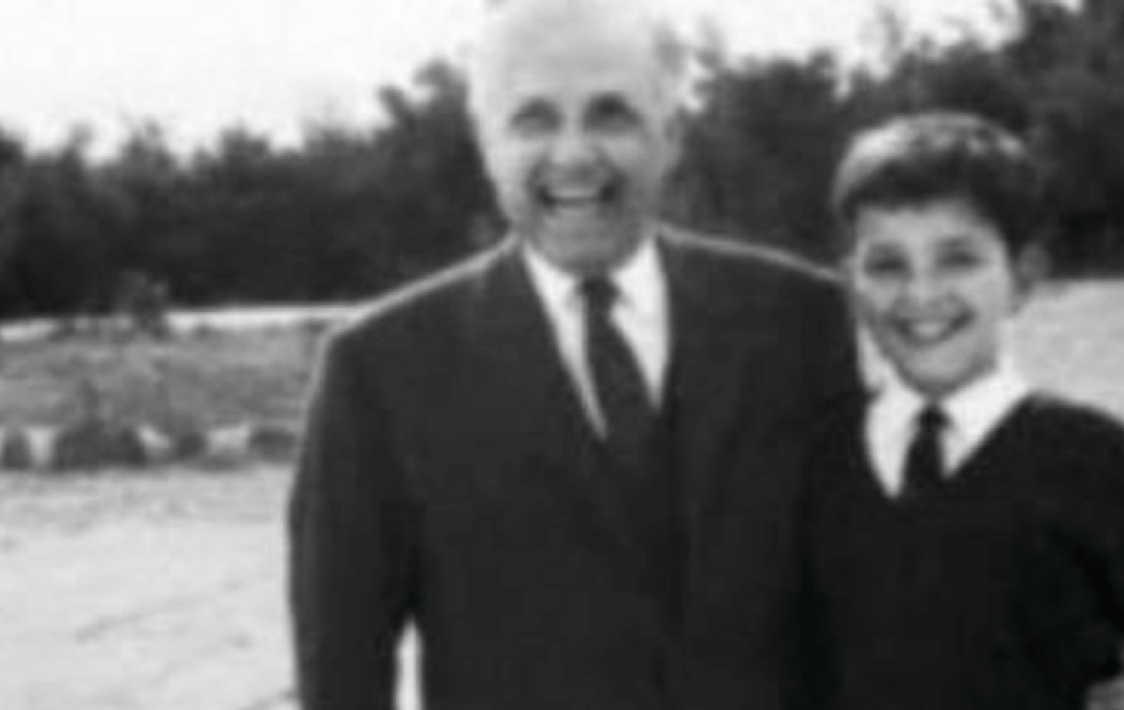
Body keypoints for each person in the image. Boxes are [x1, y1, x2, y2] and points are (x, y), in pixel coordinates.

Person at [286, 1, 858, 709]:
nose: (575, 154)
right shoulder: (379, 372)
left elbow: (874, 605)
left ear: (671, 137)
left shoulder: (801, 323)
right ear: (486, 144)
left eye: (611, 115)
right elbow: (341, 674)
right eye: (534, 120)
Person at [806, 111, 1124, 710]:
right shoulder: (817, 458)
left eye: (958, 259)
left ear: (1023, 277)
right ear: (851, 283)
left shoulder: (1096, 462)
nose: (921, 293)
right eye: (887, 265)